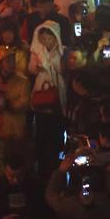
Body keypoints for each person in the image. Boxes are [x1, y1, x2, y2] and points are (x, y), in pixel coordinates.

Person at [28, 21, 67, 174]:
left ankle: (56, 164)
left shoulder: (62, 51)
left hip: (57, 95)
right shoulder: (37, 52)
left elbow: (61, 70)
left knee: (56, 133)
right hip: (42, 94)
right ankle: (42, 165)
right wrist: (38, 66)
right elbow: (31, 69)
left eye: (49, 38)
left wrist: (52, 62)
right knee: (42, 133)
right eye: (43, 38)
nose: (46, 41)